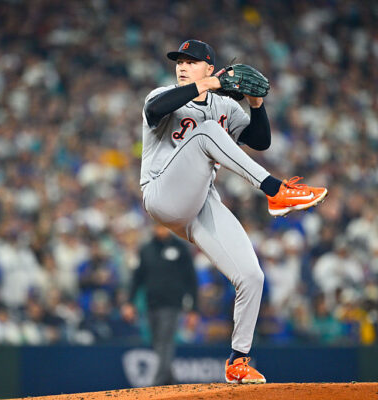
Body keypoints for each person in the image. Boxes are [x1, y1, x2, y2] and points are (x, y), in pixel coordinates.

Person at [139, 39, 328, 384]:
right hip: (161, 193)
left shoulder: (225, 106)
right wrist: (208, 84)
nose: (182, 66)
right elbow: (155, 111)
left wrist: (257, 105)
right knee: (207, 131)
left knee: (251, 276)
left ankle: (238, 361)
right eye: (179, 61)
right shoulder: (161, 95)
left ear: (209, 66)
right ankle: (276, 192)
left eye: (191, 61)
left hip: (200, 201)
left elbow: (260, 140)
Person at [122, 224, 198, 386]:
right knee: (157, 343)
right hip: (151, 304)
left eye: (162, 225)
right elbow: (138, 278)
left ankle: (156, 385)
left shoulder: (181, 249)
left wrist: (194, 310)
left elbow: (191, 280)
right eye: (156, 225)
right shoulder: (146, 249)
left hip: (172, 304)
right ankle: (170, 382)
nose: (159, 229)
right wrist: (130, 303)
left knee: (165, 342)